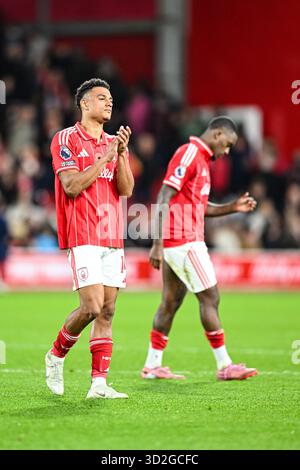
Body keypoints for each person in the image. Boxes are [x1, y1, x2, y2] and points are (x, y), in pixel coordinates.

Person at [141, 116, 258, 381]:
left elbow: (199, 207)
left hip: (179, 241)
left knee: (170, 303)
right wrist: (157, 244)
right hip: (183, 240)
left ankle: (152, 365)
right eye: (227, 144)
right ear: (217, 134)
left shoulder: (202, 161)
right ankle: (224, 365)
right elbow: (163, 196)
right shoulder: (190, 153)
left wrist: (232, 207)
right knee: (210, 298)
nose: (226, 151)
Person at [46, 78, 134, 399]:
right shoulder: (65, 139)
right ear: (84, 104)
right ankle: (56, 355)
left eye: (110, 98)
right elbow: (71, 185)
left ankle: (99, 384)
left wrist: (121, 155)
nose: (109, 103)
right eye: (101, 98)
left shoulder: (112, 142)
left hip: (112, 237)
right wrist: (105, 157)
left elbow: (125, 190)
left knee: (108, 311)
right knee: (92, 307)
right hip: (83, 234)